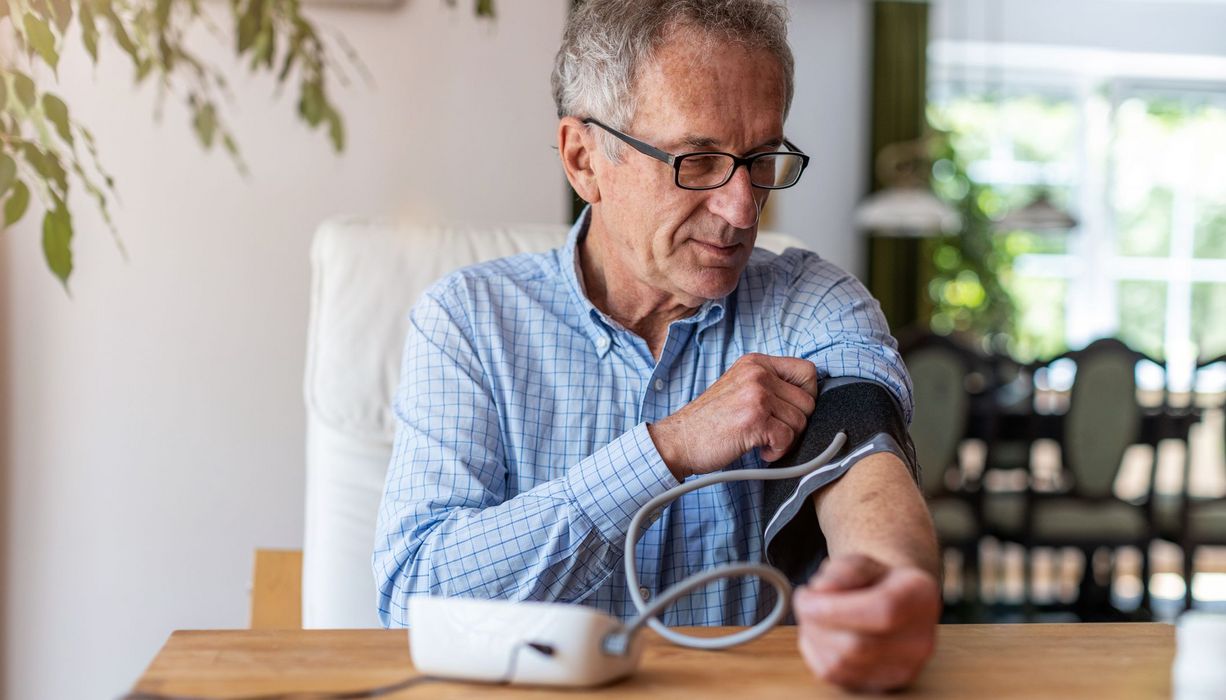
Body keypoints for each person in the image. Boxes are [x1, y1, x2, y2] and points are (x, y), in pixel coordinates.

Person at [374, 0, 940, 691]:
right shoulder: (469, 322)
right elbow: (412, 603)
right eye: (698, 161)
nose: (742, 210)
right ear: (584, 160)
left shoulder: (813, 303)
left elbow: (867, 469)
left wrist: (889, 585)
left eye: (761, 159)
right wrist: (665, 449)